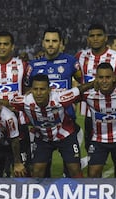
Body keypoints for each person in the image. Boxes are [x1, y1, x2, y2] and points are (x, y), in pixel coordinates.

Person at [75, 23, 116, 178]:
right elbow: (72, 73)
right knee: (94, 163)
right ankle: (99, 196)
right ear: (88, 38)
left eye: (99, 35)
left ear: (105, 37)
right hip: (92, 116)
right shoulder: (80, 57)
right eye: (92, 36)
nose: (95, 39)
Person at [10, 74, 94, 178]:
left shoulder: (60, 98)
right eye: (35, 89)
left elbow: (80, 89)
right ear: (31, 90)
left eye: (42, 89)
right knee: (37, 171)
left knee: (74, 169)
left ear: (49, 90)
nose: (39, 93)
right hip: (43, 138)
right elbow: (4, 103)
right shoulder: (25, 101)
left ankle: (80, 192)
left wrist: (97, 82)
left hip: (65, 136)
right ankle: (38, 193)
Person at [26, 27, 82, 177]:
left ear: (61, 44)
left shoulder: (70, 62)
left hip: (66, 125)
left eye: (54, 41)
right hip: (42, 128)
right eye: (48, 41)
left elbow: (82, 84)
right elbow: (26, 91)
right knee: (40, 172)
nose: (51, 44)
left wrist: (74, 101)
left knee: (72, 170)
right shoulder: (33, 66)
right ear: (43, 43)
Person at [0, 30, 31, 176]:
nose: (2, 47)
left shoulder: (23, 66)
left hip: (19, 123)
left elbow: (29, 90)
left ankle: (24, 198)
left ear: (12, 47)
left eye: (6, 44)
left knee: (22, 169)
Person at [82, 63, 116, 177]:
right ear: (96, 78)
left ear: (113, 78)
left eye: (108, 77)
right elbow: (68, 96)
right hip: (99, 140)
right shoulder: (88, 94)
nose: (104, 81)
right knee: (93, 174)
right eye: (101, 77)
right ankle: (95, 195)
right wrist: (89, 85)